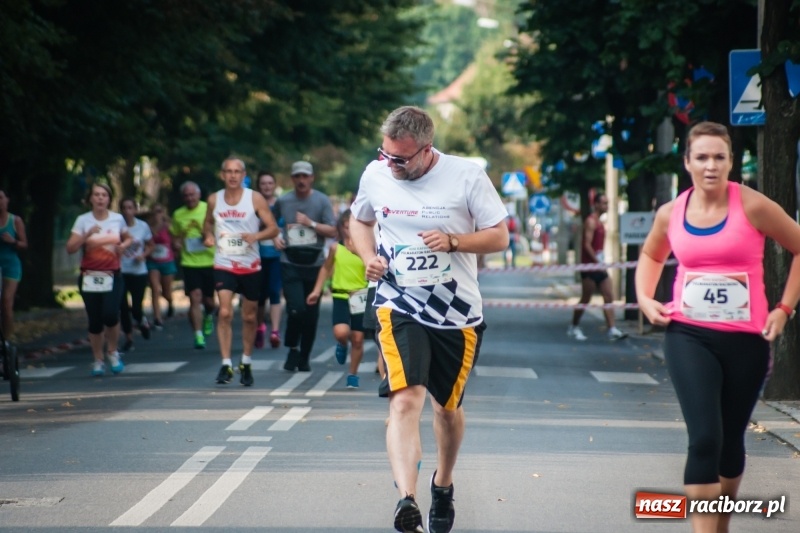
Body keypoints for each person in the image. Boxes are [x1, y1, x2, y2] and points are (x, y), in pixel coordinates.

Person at [349, 106, 509, 533]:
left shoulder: (466, 176)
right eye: (386, 155)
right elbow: (359, 221)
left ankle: (443, 483)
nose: (391, 165)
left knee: (447, 410)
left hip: (457, 312)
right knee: (404, 398)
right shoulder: (375, 174)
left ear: (426, 150)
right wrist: (368, 257)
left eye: (400, 159)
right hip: (398, 302)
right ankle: (407, 499)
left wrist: (455, 241)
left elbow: (499, 235)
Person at [635, 121, 800, 533]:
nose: (711, 166)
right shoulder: (671, 213)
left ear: (731, 162)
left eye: (719, 157)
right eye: (702, 157)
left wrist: (783, 309)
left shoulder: (753, 205)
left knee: (729, 443)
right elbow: (652, 256)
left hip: (747, 341)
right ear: (688, 162)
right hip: (688, 335)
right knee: (705, 437)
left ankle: (719, 523)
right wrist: (644, 298)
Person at [202, 157, 279, 386]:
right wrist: (207, 236)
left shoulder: (254, 198)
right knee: (224, 312)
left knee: (248, 315)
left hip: (250, 264)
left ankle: (246, 361)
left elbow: (274, 228)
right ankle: (226, 364)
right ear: (222, 174)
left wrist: (255, 236)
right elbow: (207, 223)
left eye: (237, 172)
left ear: (243, 174)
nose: (233, 176)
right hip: (224, 262)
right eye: (229, 172)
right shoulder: (214, 199)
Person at [273, 160, 337, 372]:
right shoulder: (284, 201)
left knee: (310, 315)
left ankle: (304, 356)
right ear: (292, 179)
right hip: (290, 261)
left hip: (314, 263)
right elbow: (269, 222)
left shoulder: (321, 201)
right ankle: (293, 348)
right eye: (297, 176)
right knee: (296, 309)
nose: (301, 180)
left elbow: (333, 231)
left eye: (305, 176)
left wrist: (310, 224)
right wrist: (275, 237)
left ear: (311, 178)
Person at [66, 183, 132, 376]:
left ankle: (112, 351)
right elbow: (70, 248)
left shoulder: (117, 219)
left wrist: (123, 246)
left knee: (111, 315)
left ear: (109, 199)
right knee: (95, 321)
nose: (100, 198)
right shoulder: (82, 220)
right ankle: (98, 360)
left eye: (104, 195)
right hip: (89, 276)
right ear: (91, 199)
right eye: (96, 195)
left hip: (112, 274)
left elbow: (128, 238)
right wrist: (87, 234)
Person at [306, 209, 368, 389]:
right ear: (342, 228)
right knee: (341, 332)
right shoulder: (336, 247)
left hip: (361, 295)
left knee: (358, 338)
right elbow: (325, 269)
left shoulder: (368, 248)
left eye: (353, 227)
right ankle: (342, 344)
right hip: (341, 294)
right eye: (346, 227)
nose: (350, 231)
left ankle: (352, 374)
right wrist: (317, 291)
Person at [567, 192, 627, 341]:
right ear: (597, 204)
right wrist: (596, 261)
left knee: (608, 295)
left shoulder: (601, 223)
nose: (606, 206)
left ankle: (612, 329)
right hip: (589, 266)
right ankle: (573, 326)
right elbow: (587, 244)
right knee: (586, 298)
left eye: (607, 203)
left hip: (599, 265)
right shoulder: (591, 221)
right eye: (604, 203)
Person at [171, 181, 216, 349]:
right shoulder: (178, 214)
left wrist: (206, 234)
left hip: (209, 261)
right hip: (189, 262)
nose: (190, 198)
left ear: (198, 195)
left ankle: (209, 315)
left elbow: (219, 232)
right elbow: (175, 236)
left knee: (209, 301)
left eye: (192, 195)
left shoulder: (208, 209)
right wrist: (176, 243)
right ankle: (198, 335)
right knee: (195, 297)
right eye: (187, 196)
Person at [119, 197, 154, 352]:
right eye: (124, 208)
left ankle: (142, 321)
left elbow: (151, 245)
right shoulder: (116, 227)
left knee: (136, 308)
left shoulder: (143, 226)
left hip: (139, 271)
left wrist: (144, 255)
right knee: (122, 307)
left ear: (135, 209)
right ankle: (128, 338)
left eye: (130, 207)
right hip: (121, 271)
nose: (127, 211)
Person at [253, 171, 284, 349]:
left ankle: (275, 331)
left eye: (270, 183)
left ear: (274, 185)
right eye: (263, 183)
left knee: (274, 292)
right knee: (259, 296)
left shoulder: (280, 204)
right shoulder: (252, 204)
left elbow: (284, 226)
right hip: (256, 254)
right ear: (259, 186)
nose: (267, 186)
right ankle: (260, 327)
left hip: (275, 254)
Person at [0, 190, 27, 341]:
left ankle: (7, 340)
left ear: (7, 200)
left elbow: (24, 244)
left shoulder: (15, 220)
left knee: (6, 303)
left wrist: (13, 241)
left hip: (11, 265)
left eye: (1, 198)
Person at [146, 204, 177, 328]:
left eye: (159, 211)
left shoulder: (168, 226)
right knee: (154, 288)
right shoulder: (147, 227)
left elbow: (176, 240)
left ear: (163, 213)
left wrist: (177, 245)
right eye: (154, 212)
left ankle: (170, 302)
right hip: (152, 262)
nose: (157, 214)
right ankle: (157, 318)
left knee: (166, 292)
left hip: (167, 261)